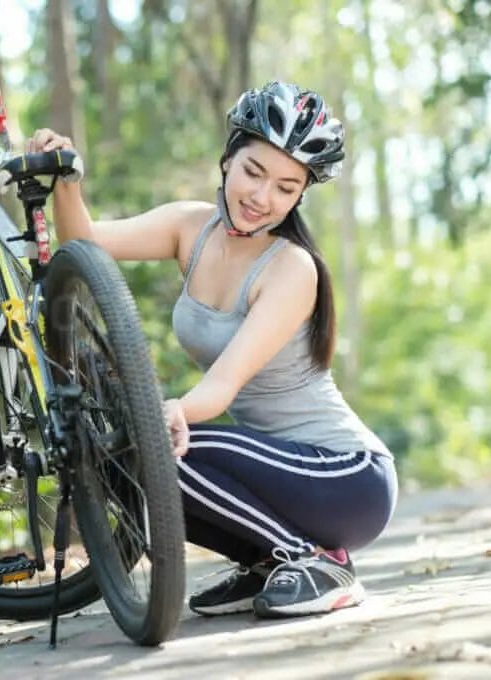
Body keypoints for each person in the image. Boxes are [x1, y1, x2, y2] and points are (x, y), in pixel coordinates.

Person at [27, 81, 397, 619]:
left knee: (161, 451)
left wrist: (176, 411)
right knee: (124, 470)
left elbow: (224, 385)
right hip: (269, 470)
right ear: (228, 160)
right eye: (253, 172)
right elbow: (82, 243)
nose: (261, 197)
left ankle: (313, 562)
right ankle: (267, 564)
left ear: (299, 197)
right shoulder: (190, 228)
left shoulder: (291, 267)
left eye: (285, 187)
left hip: (346, 477)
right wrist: (66, 179)